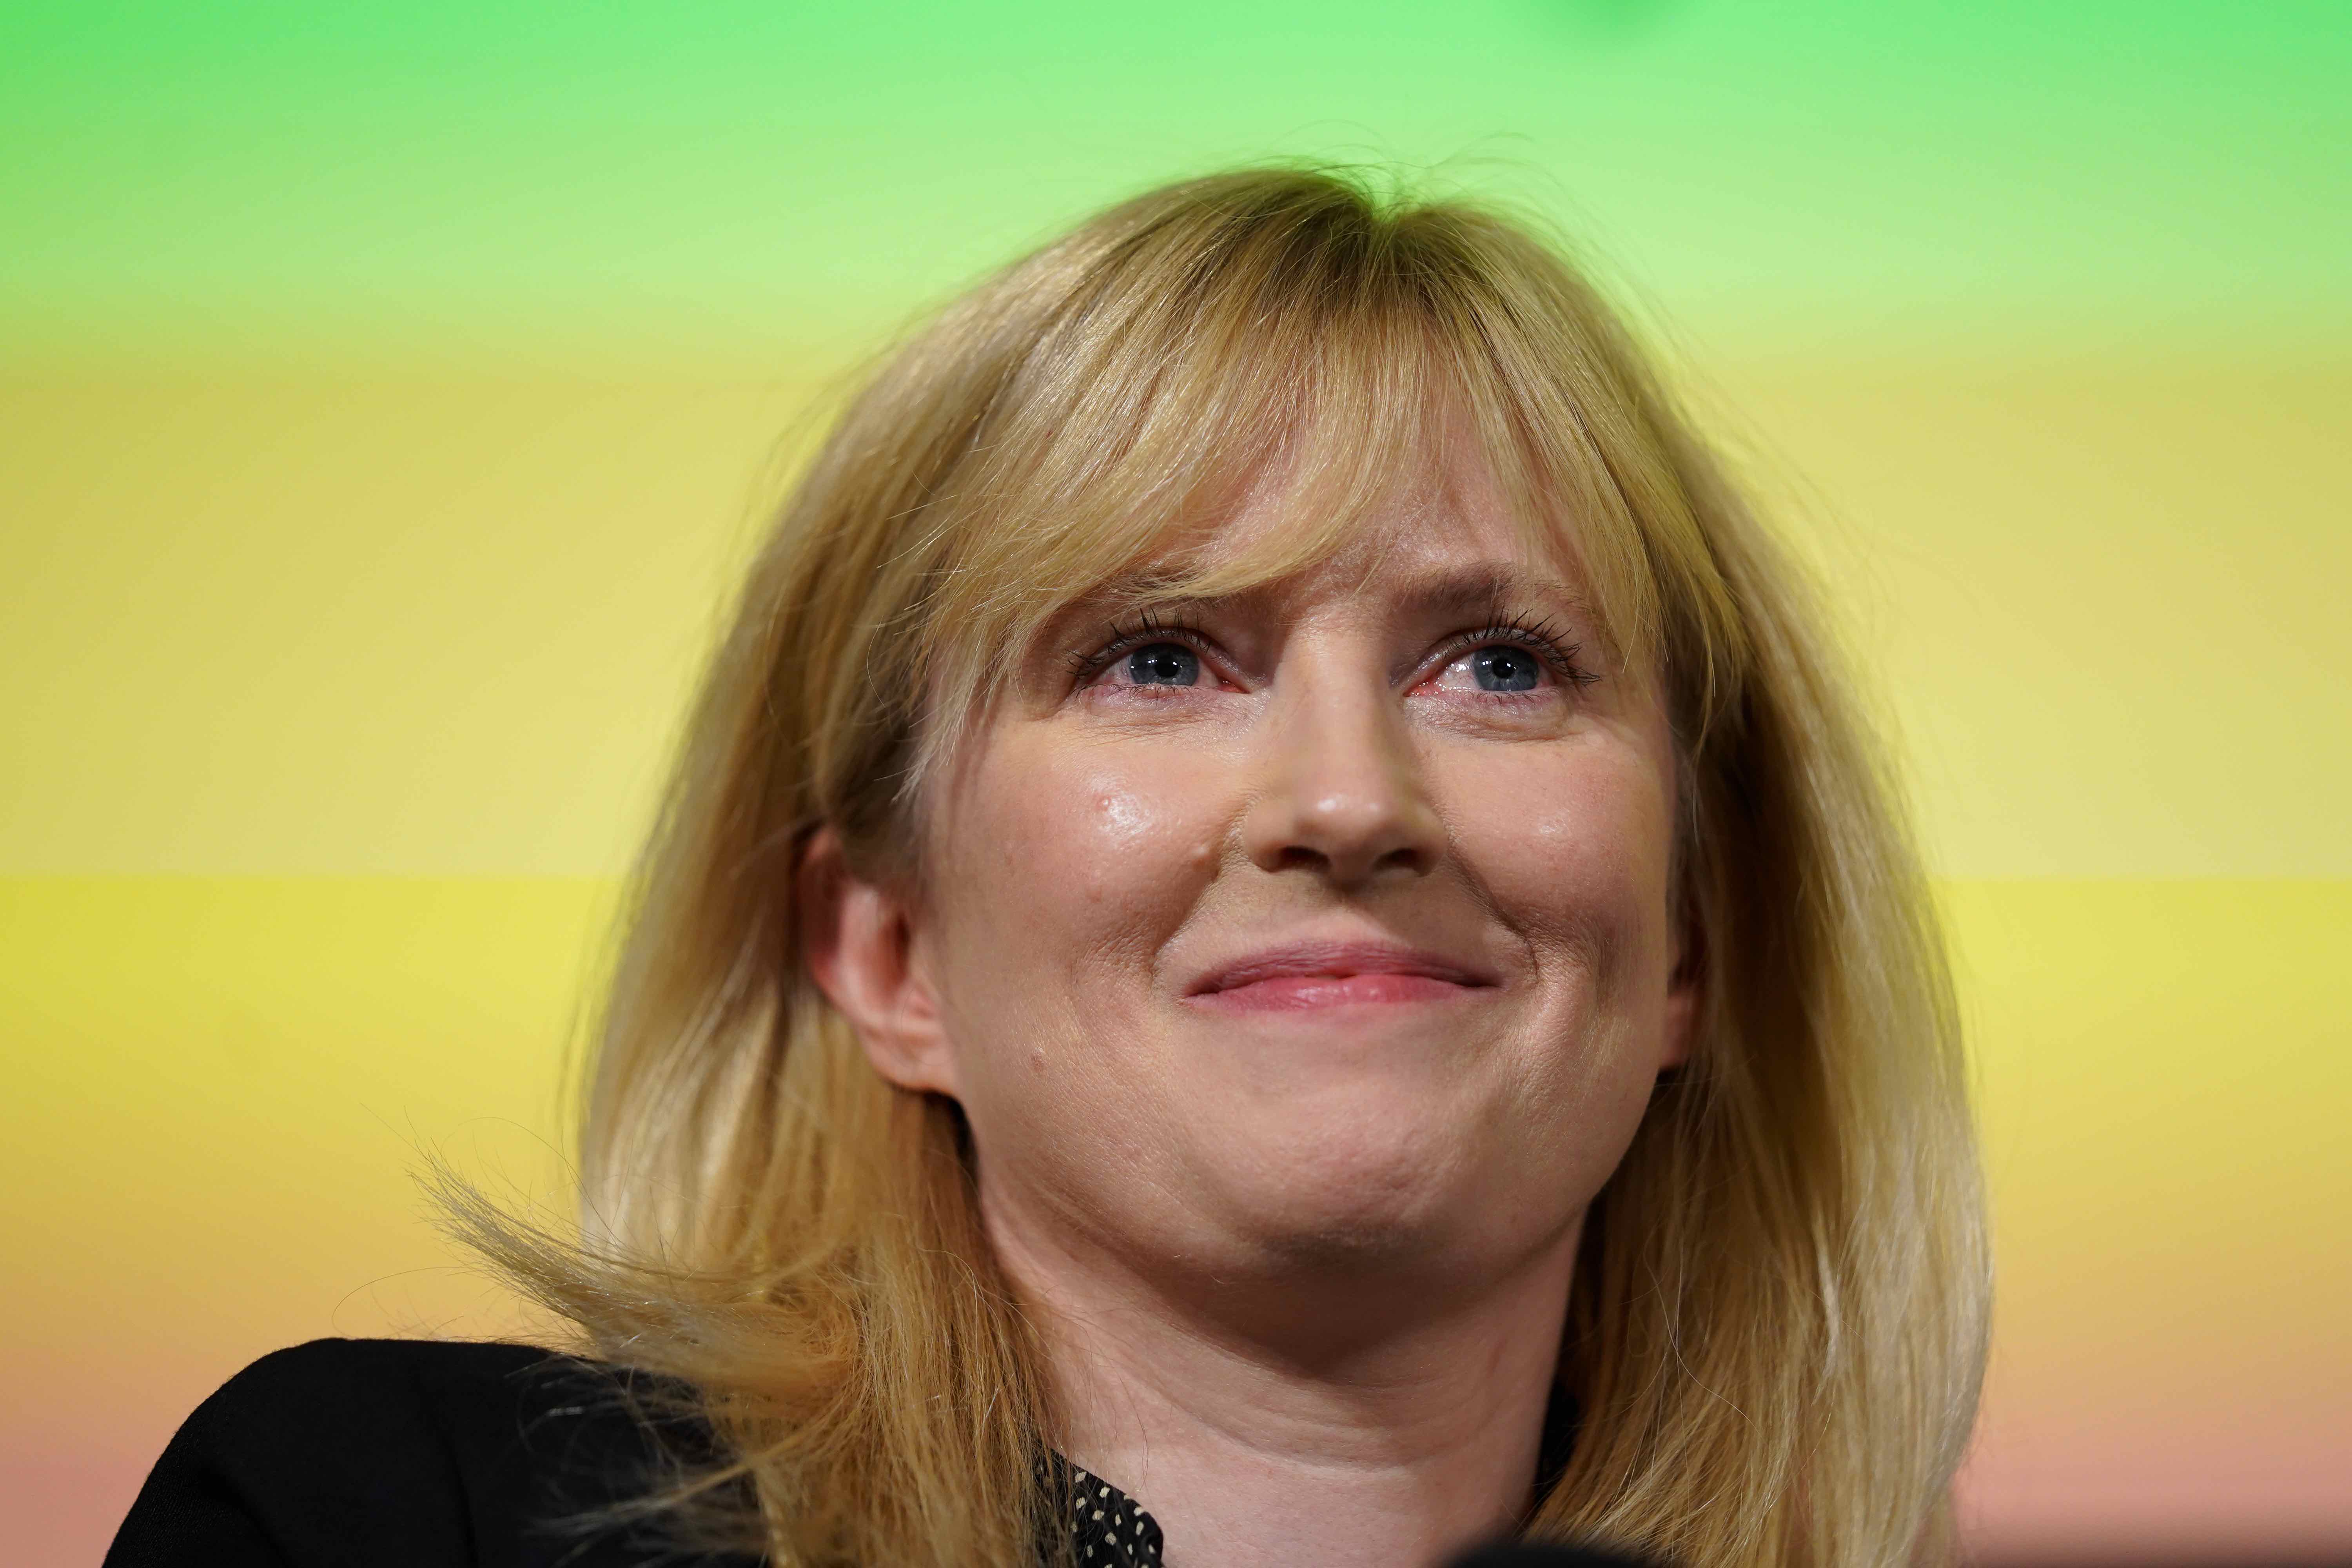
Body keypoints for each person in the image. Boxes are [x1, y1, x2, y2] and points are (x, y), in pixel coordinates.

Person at [109, 166, 1989, 1568]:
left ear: (1693, 945)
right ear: (887, 949)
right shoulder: (387, 1519)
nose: (1350, 801)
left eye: (1499, 665)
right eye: (1158, 659)